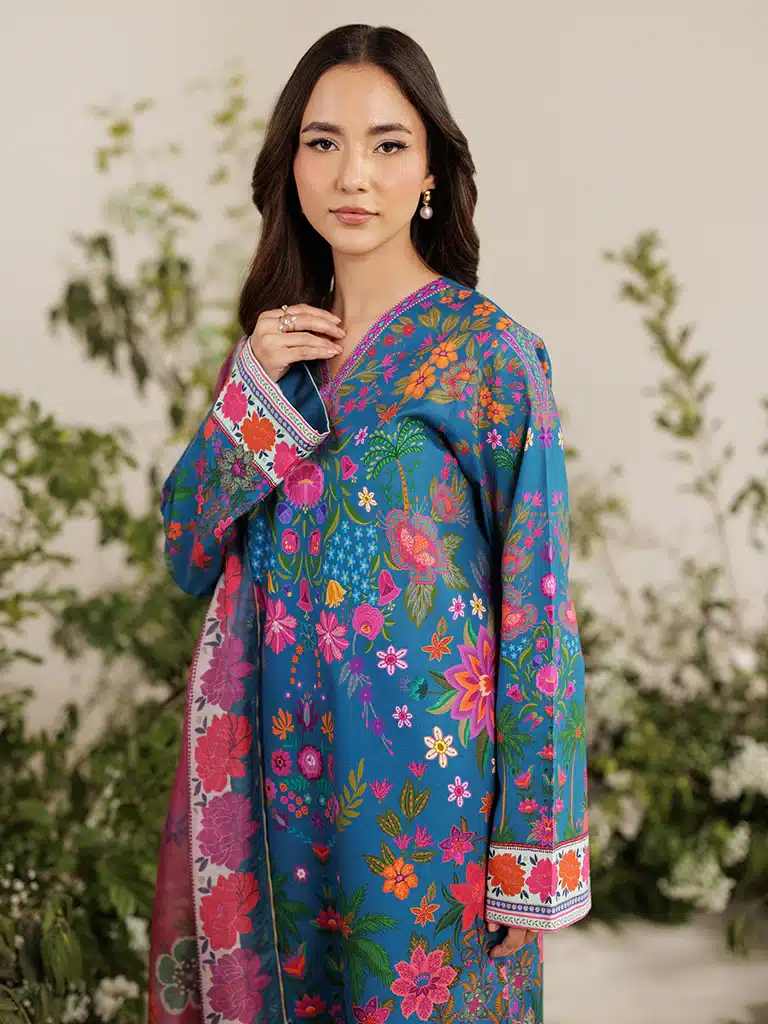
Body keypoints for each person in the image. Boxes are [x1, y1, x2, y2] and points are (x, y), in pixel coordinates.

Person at [148, 22, 591, 1024]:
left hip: (426, 801)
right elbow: (186, 551)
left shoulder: (487, 356)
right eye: (324, 142)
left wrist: (530, 837)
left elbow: (539, 610)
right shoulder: (273, 358)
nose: (354, 174)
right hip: (273, 786)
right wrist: (251, 392)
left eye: (389, 144)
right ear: (291, 165)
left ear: (431, 171)